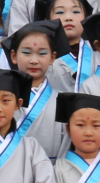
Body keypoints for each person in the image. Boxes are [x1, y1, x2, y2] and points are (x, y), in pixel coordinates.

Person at [5, 20, 69, 160]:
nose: (34, 60)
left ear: (52, 57)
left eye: (42, 53)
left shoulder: (62, 102)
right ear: (14, 56)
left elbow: (65, 148)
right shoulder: (1, 98)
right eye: (26, 53)